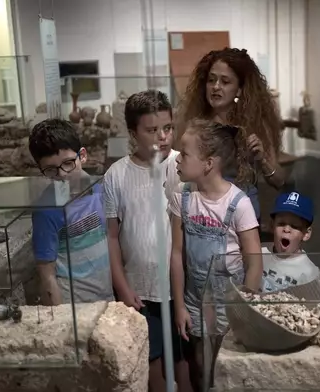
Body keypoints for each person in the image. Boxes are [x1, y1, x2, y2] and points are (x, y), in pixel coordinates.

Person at [102, 90, 189, 392]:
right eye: (152, 130)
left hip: (180, 288)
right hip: (139, 289)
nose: (163, 137)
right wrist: (123, 287)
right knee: (151, 368)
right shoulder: (116, 175)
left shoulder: (184, 165)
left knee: (184, 362)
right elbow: (111, 237)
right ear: (133, 133)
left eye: (167, 128)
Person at [169, 119, 262, 391]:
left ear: (208, 163)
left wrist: (245, 311)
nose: (177, 160)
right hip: (196, 300)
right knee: (201, 363)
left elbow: (254, 260)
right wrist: (180, 306)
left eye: (184, 154)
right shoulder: (181, 196)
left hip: (231, 302)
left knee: (228, 365)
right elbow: (177, 253)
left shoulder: (239, 204)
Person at [177, 47, 286, 220]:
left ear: (240, 89)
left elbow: (279, 181)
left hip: (243, 216)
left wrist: (262, 160)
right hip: (205, 216)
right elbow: (182, 170)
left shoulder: (255, 125)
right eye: (211, 80)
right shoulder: (195, 123)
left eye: (225, 82)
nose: (216, 87)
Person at [29, 119, 114, 305]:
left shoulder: (103, 189)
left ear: (82, 155)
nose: (62, 175)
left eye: (68, 163)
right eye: (51, 170)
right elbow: (47, 275)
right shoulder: (46, 210)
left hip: (110, 298)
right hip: (75, 306)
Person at [261, 191, 320, 292]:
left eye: (294, 226)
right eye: (281, 223)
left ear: (306, 234)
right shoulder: (259, 253)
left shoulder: (309, 272)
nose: (287, 230)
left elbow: (314, 306)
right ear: (272, 226)